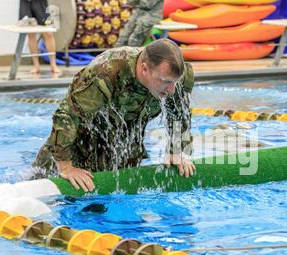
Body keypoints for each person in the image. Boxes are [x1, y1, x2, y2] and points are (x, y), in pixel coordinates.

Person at [32, 39, 196, 192]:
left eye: (175, 82)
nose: (172, 89)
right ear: (144, 69)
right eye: (166, 82)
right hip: (78, 143)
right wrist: (66, 166)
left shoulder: (175, 75)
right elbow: (67, 116)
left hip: (122, 145)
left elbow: (179, 114)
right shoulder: (106, 73)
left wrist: (176, 150)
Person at [19, 0, 61, 74]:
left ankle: (53, 64)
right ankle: (36, 65)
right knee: (31, 33)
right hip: (26, 3)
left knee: (48, 33)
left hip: (40, 3)